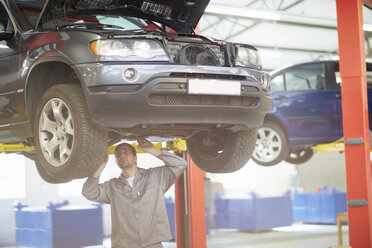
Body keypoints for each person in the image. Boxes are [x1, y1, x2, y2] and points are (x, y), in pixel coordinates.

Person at [82, 138, 187, 248]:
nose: (122, 155)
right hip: (124, 245)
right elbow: (88, 192)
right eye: (118, 154)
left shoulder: (156, 177)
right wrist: (101, 166)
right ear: (116, 160)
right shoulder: (112, 187)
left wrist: (152, 149)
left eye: (126, 152)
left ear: (135, 158)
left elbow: (180, 164)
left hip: (152, 243)